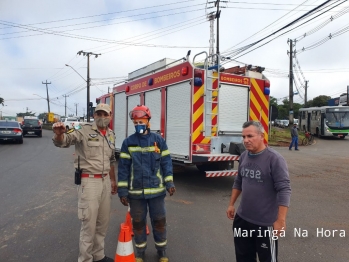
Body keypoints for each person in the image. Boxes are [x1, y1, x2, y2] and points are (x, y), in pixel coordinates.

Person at [52, 103, 117, 262]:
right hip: (89, 182)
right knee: (89, 224)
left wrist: (113, 180)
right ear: (94, 115)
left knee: (102, 223)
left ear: (110, 116)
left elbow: (111, 160)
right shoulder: (81, 128)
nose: (102, 117)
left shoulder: (111, 134)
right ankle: (86, 258)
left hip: (105, 181)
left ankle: (98, 255)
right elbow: (65, 140)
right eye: (99, 114)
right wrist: (59, 134)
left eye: (105, 114)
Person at [226, 120, 291, 262]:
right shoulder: (243, 156)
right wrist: (231, 204)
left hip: (265, 223)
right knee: (243, 258)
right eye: (243, 137)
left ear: (262, 136)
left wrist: (280, 220)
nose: (246, 140)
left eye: (250, 136)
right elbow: (238, 182)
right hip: (242, 220)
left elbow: (284, 190)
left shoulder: (274, 159)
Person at [117, 105, 176, 262]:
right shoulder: (128, 143)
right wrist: (122, 192)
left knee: (159, 222)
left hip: (157, 192)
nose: (138, 125)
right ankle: (140, 252)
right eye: (135, 122)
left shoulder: (158, 141)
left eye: (141, 121)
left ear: (148, 121)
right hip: (136, 194)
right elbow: (123, 169)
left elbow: (166, 164)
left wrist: (170, 183)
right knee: (138, 223)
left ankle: (161, 250)